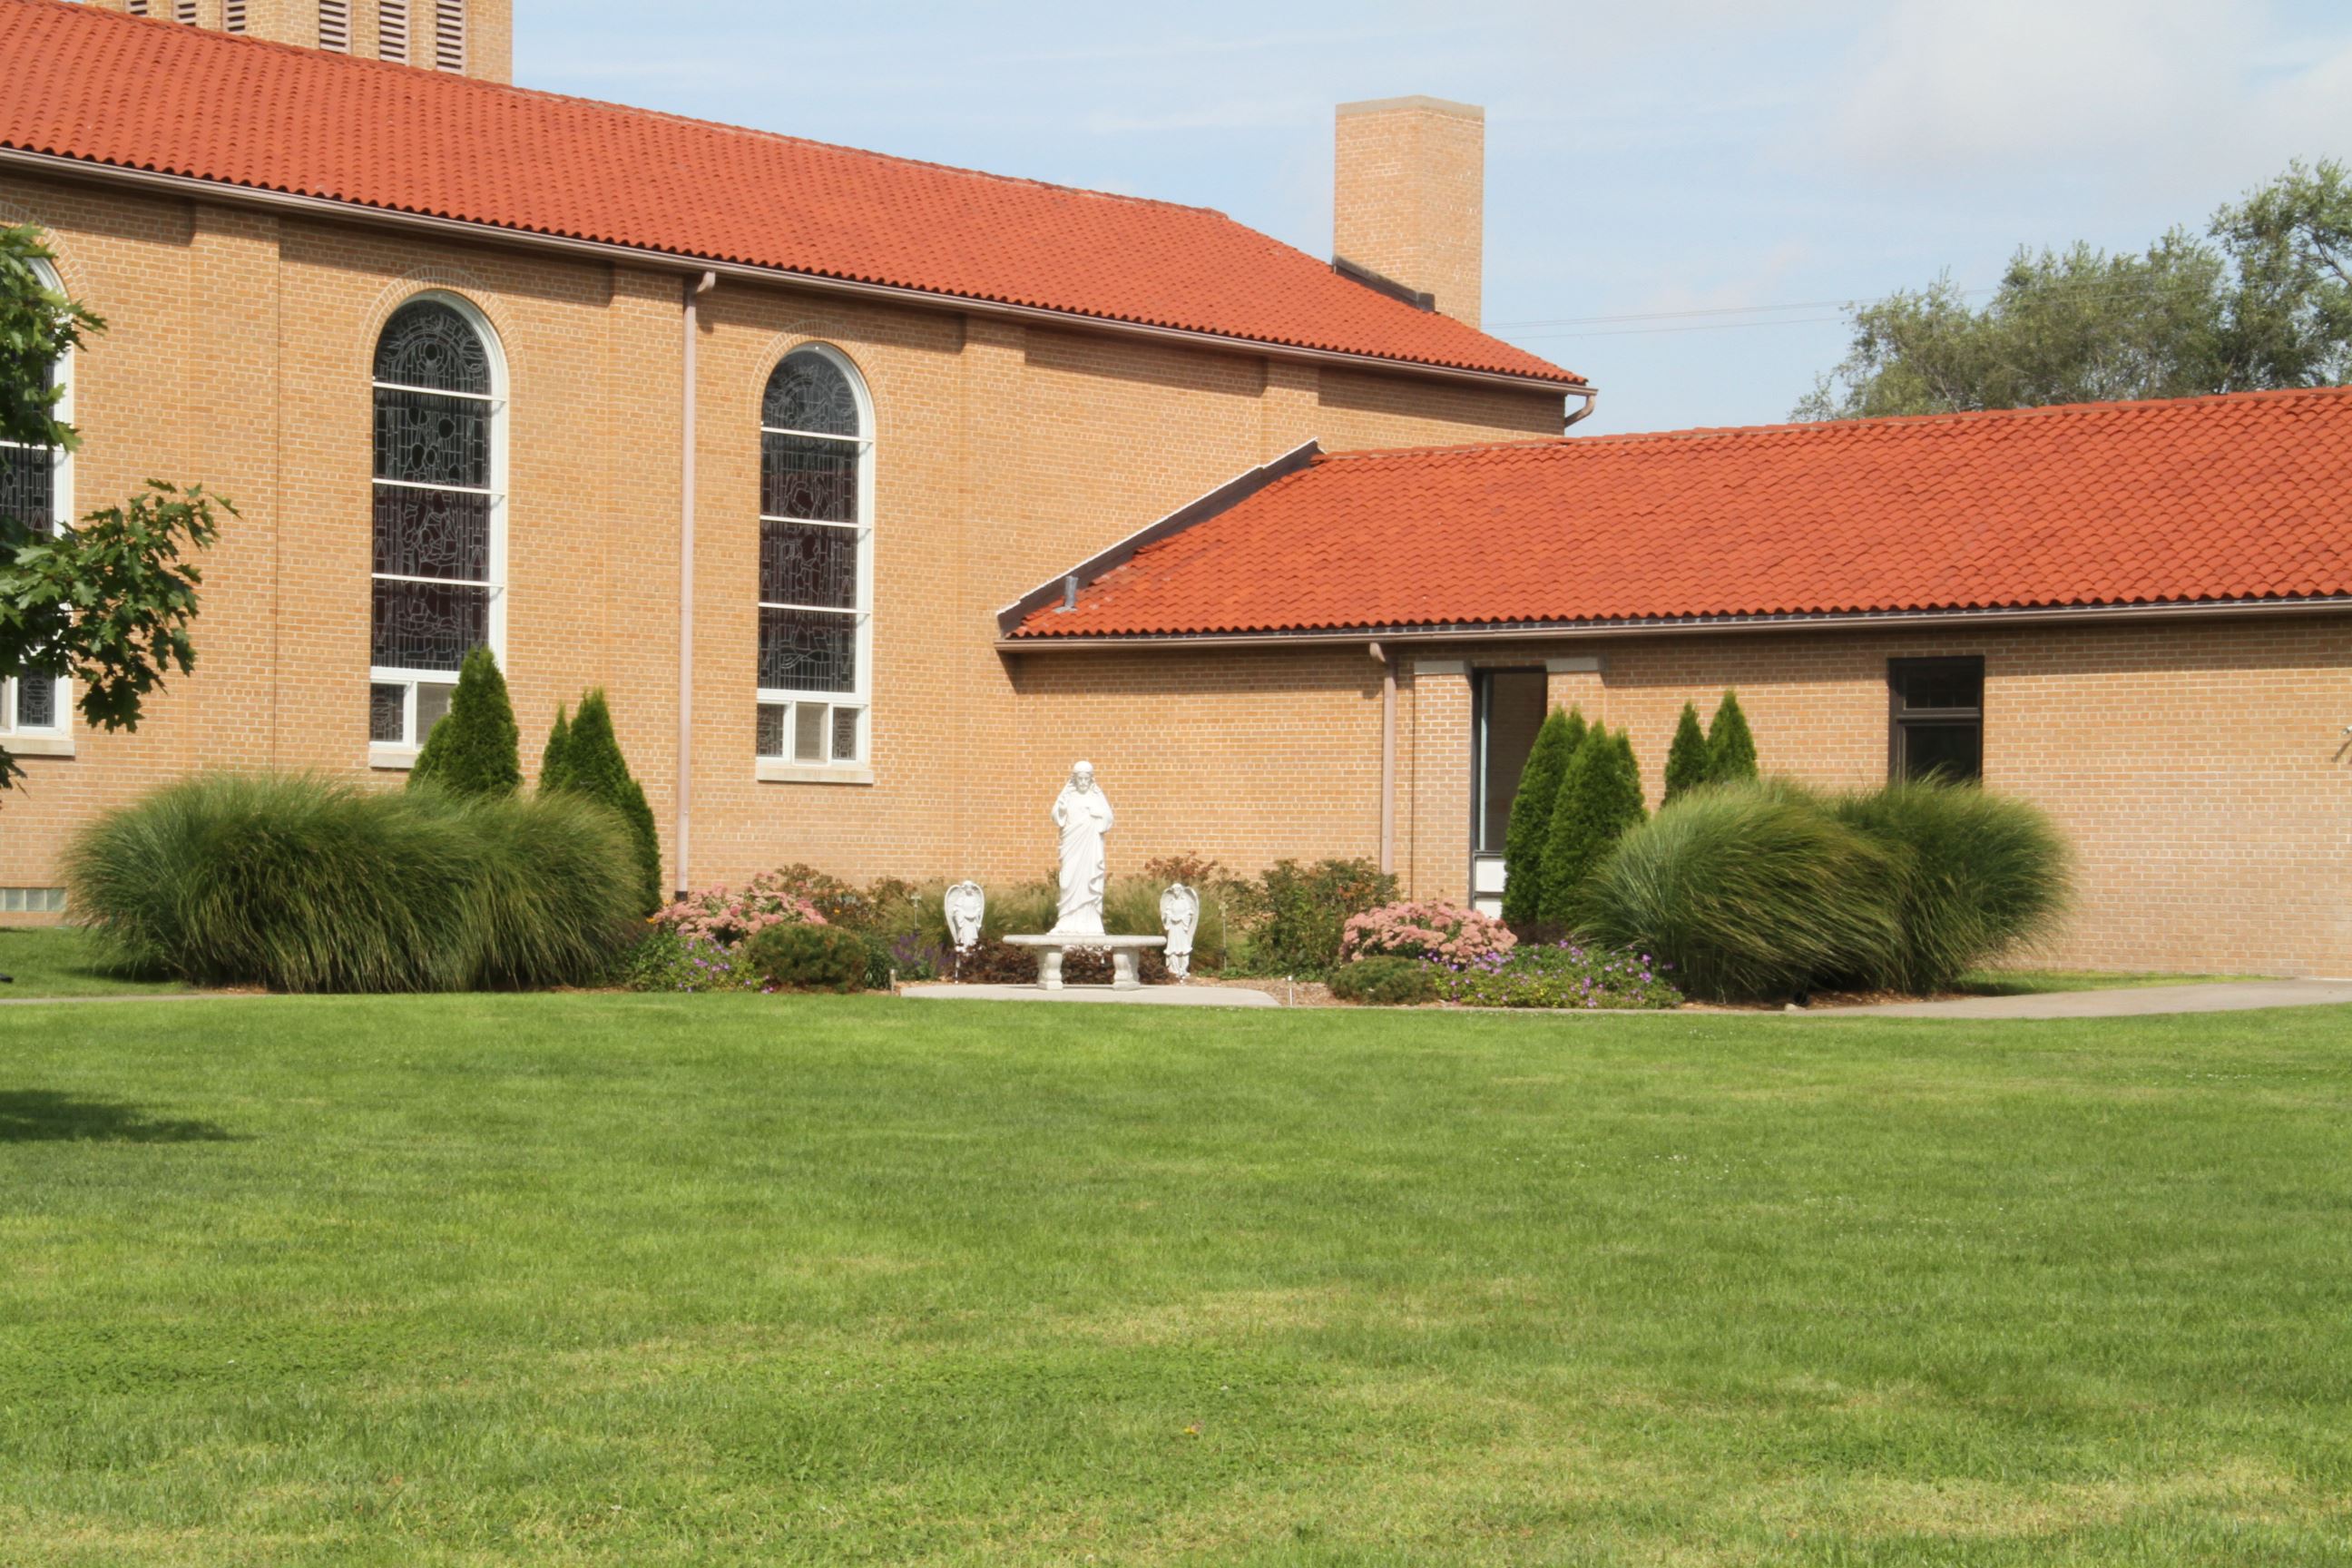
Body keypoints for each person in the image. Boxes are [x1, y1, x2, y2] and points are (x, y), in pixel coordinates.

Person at [1050, 760, 1115, 936]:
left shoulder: (1096, 798)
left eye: (1087, 779)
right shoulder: (1067, 797)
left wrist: (1097, 814)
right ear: (1075, 779)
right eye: (1080, 779)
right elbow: (1056, 816)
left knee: (1088, 881)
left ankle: (1090, 921)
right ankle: (1066, 920)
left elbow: (1108, 818)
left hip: (1090, 849)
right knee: (1067, 882)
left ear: (1091, 779)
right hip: (1071, 846)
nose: (1083, 782)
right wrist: (1062, 810)